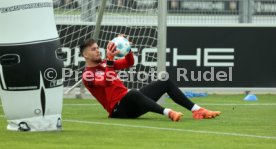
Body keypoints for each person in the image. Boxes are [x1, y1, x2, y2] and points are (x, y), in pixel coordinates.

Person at [80, 36, 221, 122]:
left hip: (131, 102)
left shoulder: (105, 63)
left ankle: (197, 110)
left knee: (164, 81)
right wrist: (110, 60)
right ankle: (169, 113)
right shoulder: (87, 75)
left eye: (97, 48)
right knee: (133, 92)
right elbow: (107, 81)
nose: (98, 50)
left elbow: (129, 63)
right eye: (93, 49)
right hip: (119, 111)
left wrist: (127, 49)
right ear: (85, 55)